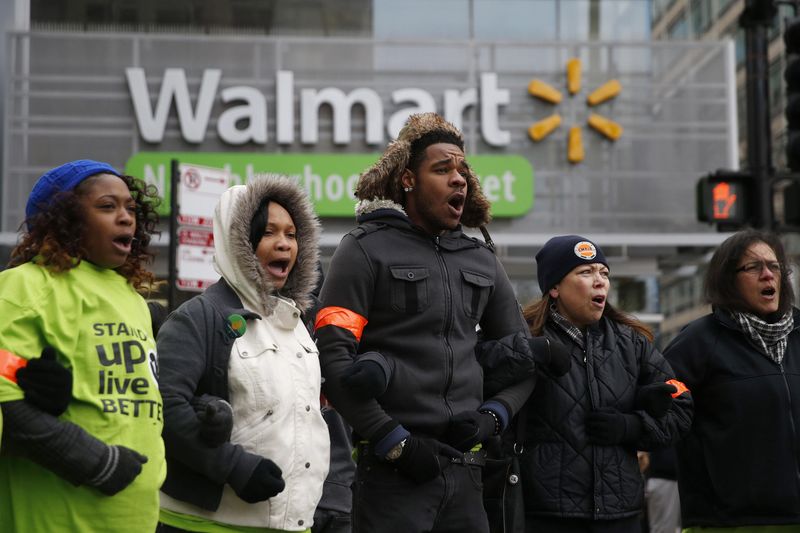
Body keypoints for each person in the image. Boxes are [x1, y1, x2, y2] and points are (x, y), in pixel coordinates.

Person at [314, 112, 537, 533]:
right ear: (408, 179)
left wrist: (492, 418)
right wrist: (393, 442)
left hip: (469, 476)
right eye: (442, 169)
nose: (459, 179)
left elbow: (524, 363)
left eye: (462, 170)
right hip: (391, 478)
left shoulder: (482, 260)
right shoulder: (362, 250)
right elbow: (333, 360)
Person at [156, 174, 330, 532]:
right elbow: (165, 408)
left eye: (292, 234)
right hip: (202, 524)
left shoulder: (297, 324)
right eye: (268, 232)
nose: (284, 244)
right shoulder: (197, 318)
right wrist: (233, 466)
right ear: (238, 243)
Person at [0, 159, 164, 531]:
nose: (126, 218)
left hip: (134, 519)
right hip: (55, 517)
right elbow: (5, 401)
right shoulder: (23, 286)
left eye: (131, 208)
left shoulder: (134, 300)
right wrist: (94, 460)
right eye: (107, 206)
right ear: (65, 219)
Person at [519, 235, 693, 533]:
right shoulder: (527, 341)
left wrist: (632, 427)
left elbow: (681, 407)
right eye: (585, 272)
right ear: (554, 287)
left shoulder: (633, 344)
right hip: (545, 515)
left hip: (620, 516)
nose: (600, 281)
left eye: (604, 272)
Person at [663, 229, 800, 531]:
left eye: (774, 266)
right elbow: (658, 411)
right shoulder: (698, 342)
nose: (768, 275)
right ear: (728, 280)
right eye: (754, 267)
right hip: (727, 523)